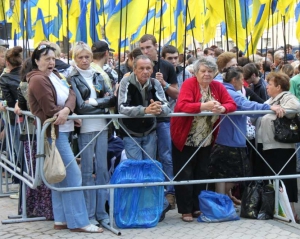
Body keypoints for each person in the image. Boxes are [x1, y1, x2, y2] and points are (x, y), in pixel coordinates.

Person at [27, 43, 103, 233]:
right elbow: (50, 109)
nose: (51, 62)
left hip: (63, 130)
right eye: (47, 59)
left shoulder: (54, 75)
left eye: (53, 58)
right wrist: (68, 110)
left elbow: (71, 94)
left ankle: (61, 219)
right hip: (54, 133)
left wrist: (68, 110)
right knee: (72, 176)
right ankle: (79, 222)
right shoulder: (37, 79)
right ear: (37, 61)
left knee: (61, 177)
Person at [171, 56, 237, 222]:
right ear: (196, 72)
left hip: (206, 139)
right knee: (185, 173)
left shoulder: (217, 86)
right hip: (185, 137)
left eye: (210, 71)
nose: (207, 74)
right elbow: (182, 105)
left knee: (201, 172)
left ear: (215, 73)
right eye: (203, 71)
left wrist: (222, 107)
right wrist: (203, 106)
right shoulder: (189, 84)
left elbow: (231, 104)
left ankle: (197, 207)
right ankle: (185, 210)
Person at [209, 67, 282, 195]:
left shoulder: (221, 89)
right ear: (233, 80)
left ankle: (221, 202)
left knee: (221, 175)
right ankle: (219, 199)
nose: (244, 83)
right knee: (242, 172)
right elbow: (248, 105)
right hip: (231, 140)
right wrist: (269, 107)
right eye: (241, 80)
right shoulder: (232, 93)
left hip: (222, 138)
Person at [118, 55, 172, 221]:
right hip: (130, 133)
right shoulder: (125, 82)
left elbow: (167, 106)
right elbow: (121, 107)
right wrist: (144, 110)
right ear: (134, 69)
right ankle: (137, 207)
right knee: (136, 169)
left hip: (149, 131)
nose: (145, 71)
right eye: (141, 68)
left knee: (149, 169)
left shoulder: (155, 83)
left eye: (148, 68)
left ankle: (152, 205)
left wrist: (157, 108)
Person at [69, 41, 115, 226]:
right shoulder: (72, 77)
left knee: (102, 170)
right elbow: (80, 107)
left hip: (102, 126)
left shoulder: (98, 75)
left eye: (87, 56)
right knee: (87, 171)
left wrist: (96, 104)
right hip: (86, 128)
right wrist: (101, 106)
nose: (84, 60)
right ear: (75, 59)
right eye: (80, 57)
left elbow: (111, 98)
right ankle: (89, 214)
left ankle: (101, 212)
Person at [139, 34, 178, 210]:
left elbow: (177, 93)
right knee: (148, 157)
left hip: (162, 118)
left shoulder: (167, 66)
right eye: (142, 48)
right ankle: (149, 193)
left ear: (156, 47)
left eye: (148, 47)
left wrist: (164, 83)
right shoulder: (138, 65)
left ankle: (170, 192)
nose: (146, 51)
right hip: (143, 119)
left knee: (166, 156)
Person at [257, 72, 300, 222]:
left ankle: (291, 212)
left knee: (286, 179)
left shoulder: (286, 96)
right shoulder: (270, 99)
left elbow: (295, 106)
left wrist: (281, 109)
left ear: (279, 86)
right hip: (268, 145)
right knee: (273, 178)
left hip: (282, 145)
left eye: (270, 84)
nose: (267, 86)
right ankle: (278, 210)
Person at [14, 58, 53, 219]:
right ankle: (44, 209)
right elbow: (22, 107)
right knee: (40, 173)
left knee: (34, 173)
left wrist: (17, 105)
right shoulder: (32, 84)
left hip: (34, 133)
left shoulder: (25, 84)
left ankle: (32, 208)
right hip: (37, 133)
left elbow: (20, 107)